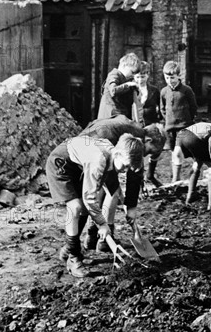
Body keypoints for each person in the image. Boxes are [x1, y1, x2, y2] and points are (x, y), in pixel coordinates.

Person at [46, 133, 144, 277]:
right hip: (60, 163)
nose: (125, 170)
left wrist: (126, 206)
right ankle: (73, 258)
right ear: (117, 154)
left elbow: (113, 188)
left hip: (77, 166)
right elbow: (89, 198)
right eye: (125, 165)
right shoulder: (98, 160)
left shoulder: (111, 157)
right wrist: (103, 224)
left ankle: (69, 248)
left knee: (85, 208)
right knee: (76, 207)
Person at [78, 115, 166, 252]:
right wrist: (130, 208)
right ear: (148, 140)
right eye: (149, 151)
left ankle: (92, 236)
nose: (146, 155)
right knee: (113, 190)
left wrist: (130, 206)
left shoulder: (134, 129)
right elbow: (134, 176)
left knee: (103, 188)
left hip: (87, 142)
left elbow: (133, 179)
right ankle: (105, 240)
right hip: (94, 147)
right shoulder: (134, 142)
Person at [160, 60, 198, 184]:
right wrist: (168, 120)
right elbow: (163, 108)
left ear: (178, 76)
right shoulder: (164, 92)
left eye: (172, 77)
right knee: (173, 151)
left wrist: (187, 120)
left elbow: (193, 107)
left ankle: (180, 178)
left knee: (182, 151)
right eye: (167, 78)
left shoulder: (186, 90)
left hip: (183, 126)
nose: (170, 80)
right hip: (170, 128)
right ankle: (176, 176)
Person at [134, 61, 163, 186]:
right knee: (138, 151)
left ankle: (150, 174)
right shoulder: (131, 90)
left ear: (148, 75)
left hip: (151, 125)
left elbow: (160, 107)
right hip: (135, 126)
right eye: (138, 76)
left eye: (143, 76)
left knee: (156, 147)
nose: (140, 79)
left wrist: (160, 122)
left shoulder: (154, 91)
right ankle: (138, 179)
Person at [97, 52, 141, 120]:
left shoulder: (127, 79)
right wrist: (127, 85)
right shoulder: (114, 74)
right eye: (132, 72)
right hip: (110, 116)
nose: (133, 75)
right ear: (124, 66)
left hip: (120, 116)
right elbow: (113, 91)